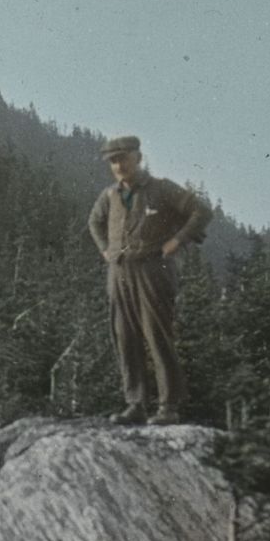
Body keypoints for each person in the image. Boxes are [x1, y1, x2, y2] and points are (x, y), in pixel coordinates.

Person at [88, 136, 212, 425]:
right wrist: (105, 249)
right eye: (113, 161)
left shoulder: (161, 189)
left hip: (153, 269)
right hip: (119, 272)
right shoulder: (110, 195)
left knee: (156, 335)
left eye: (124, 158)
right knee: (124, 336)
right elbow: (94, 222)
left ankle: (169, 406)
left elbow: (201, 211)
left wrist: (178, 240)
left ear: (138, 158)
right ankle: (136, 404)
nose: (119, 165)